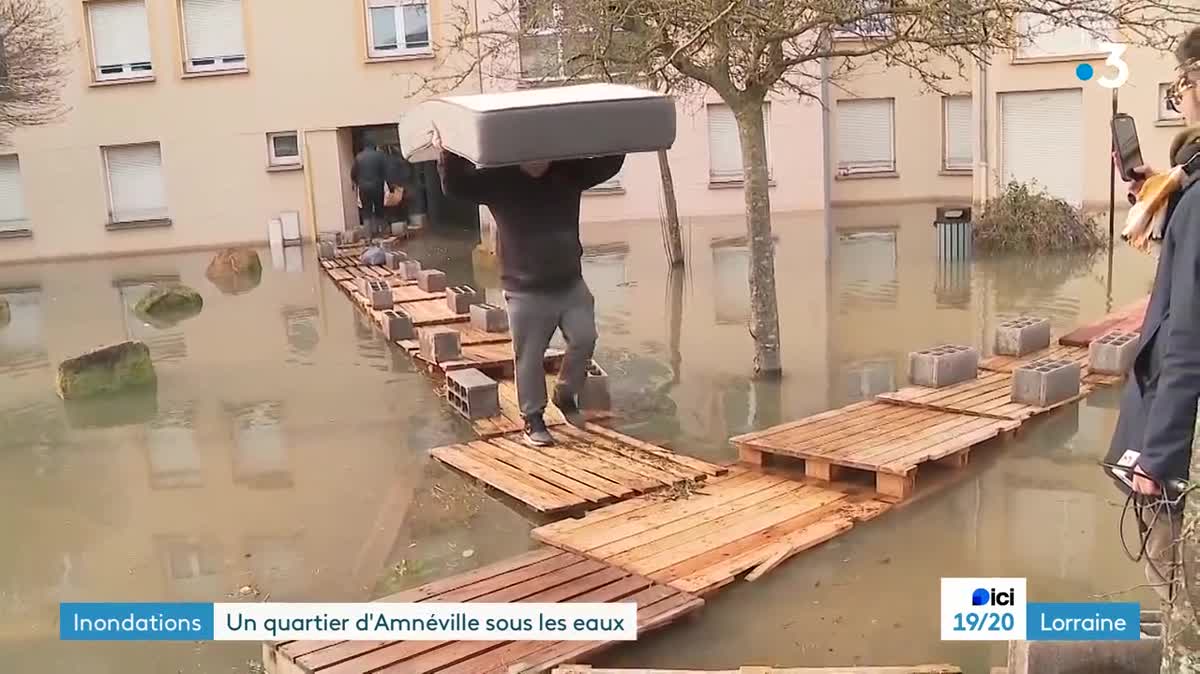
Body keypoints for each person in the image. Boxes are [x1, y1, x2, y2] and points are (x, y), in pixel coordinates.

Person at [433, 127, 624, 447]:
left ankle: (565, 393)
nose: (539, 158)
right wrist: (446, 151)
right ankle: (533, 419)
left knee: (585, 337)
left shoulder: (568, 171)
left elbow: (608, 165)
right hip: (525, 289)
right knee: (530, 356)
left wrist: (620, 134)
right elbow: (456, 186)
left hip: (569, 282)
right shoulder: (499, 179)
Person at [1108, 26, 1200, 612]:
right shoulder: (1190, 185)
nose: (1183, 97)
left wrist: (1157, 459)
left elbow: (1188, 337)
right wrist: (1169, 191)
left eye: (1186, 84)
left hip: (1182, 450)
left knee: (1179, 602)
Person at [350, 142, 388, 238]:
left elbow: (353, 173)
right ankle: (381, 233)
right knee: (379, 209)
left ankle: (368, 236)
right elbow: (385, 170)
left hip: (363, 188)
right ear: (374, 146)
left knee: (366, 211)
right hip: (377, 186)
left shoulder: (359, 157)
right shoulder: (379, 156)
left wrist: (357, 182)